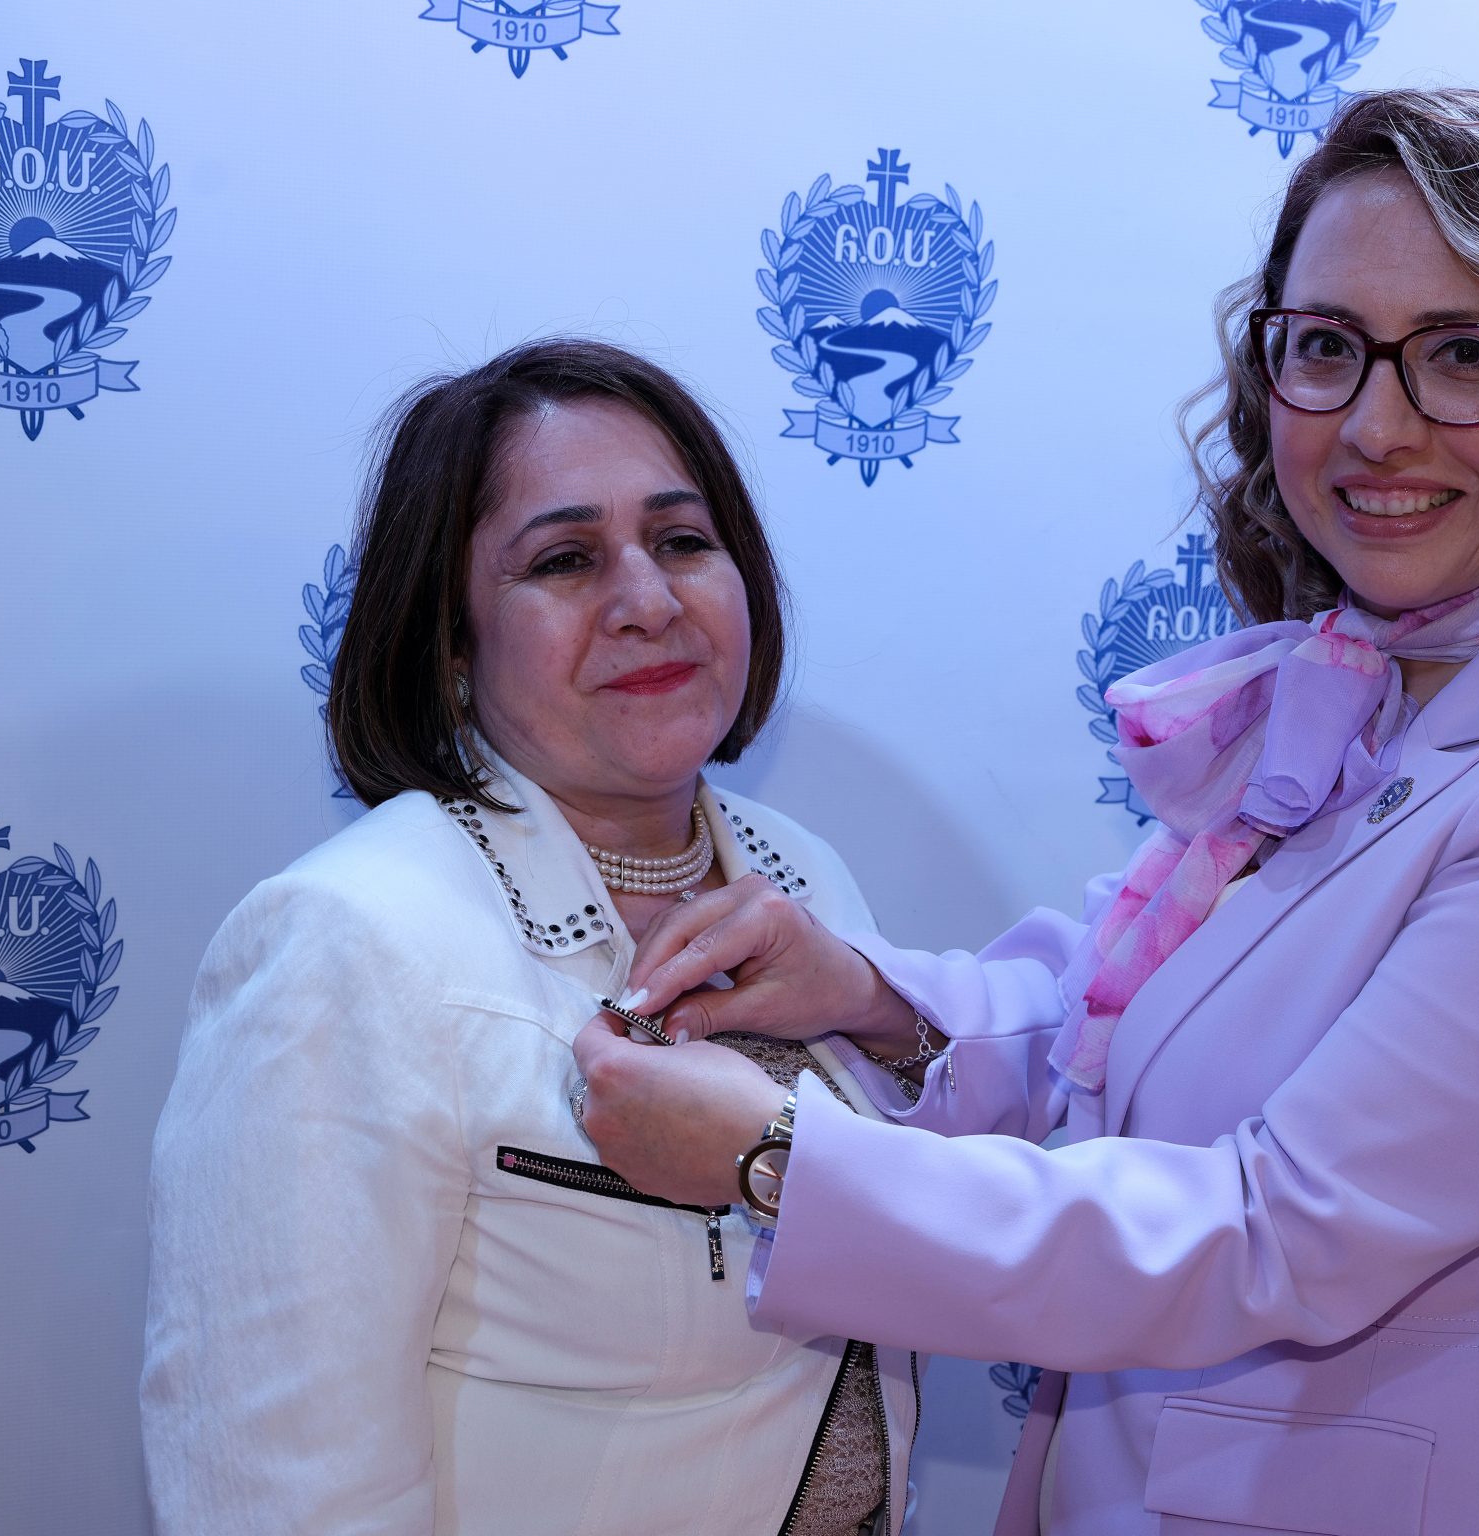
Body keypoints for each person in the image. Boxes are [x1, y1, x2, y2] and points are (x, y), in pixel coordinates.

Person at [570, 90, 1479, 1536]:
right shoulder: (1356, 698)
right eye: (1326, 347)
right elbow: (1115, 1023)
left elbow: (1272, 1235)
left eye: (1463, 355)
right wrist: (867, 1000)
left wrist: (780, 1162)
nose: (1373, 425)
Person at [141, 339, 920, 1535]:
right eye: (564, 560)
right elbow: (285, 1493)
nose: (649, 603)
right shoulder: (347, 940)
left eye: (682, 541)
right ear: (451, 643)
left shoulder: (802, 870)